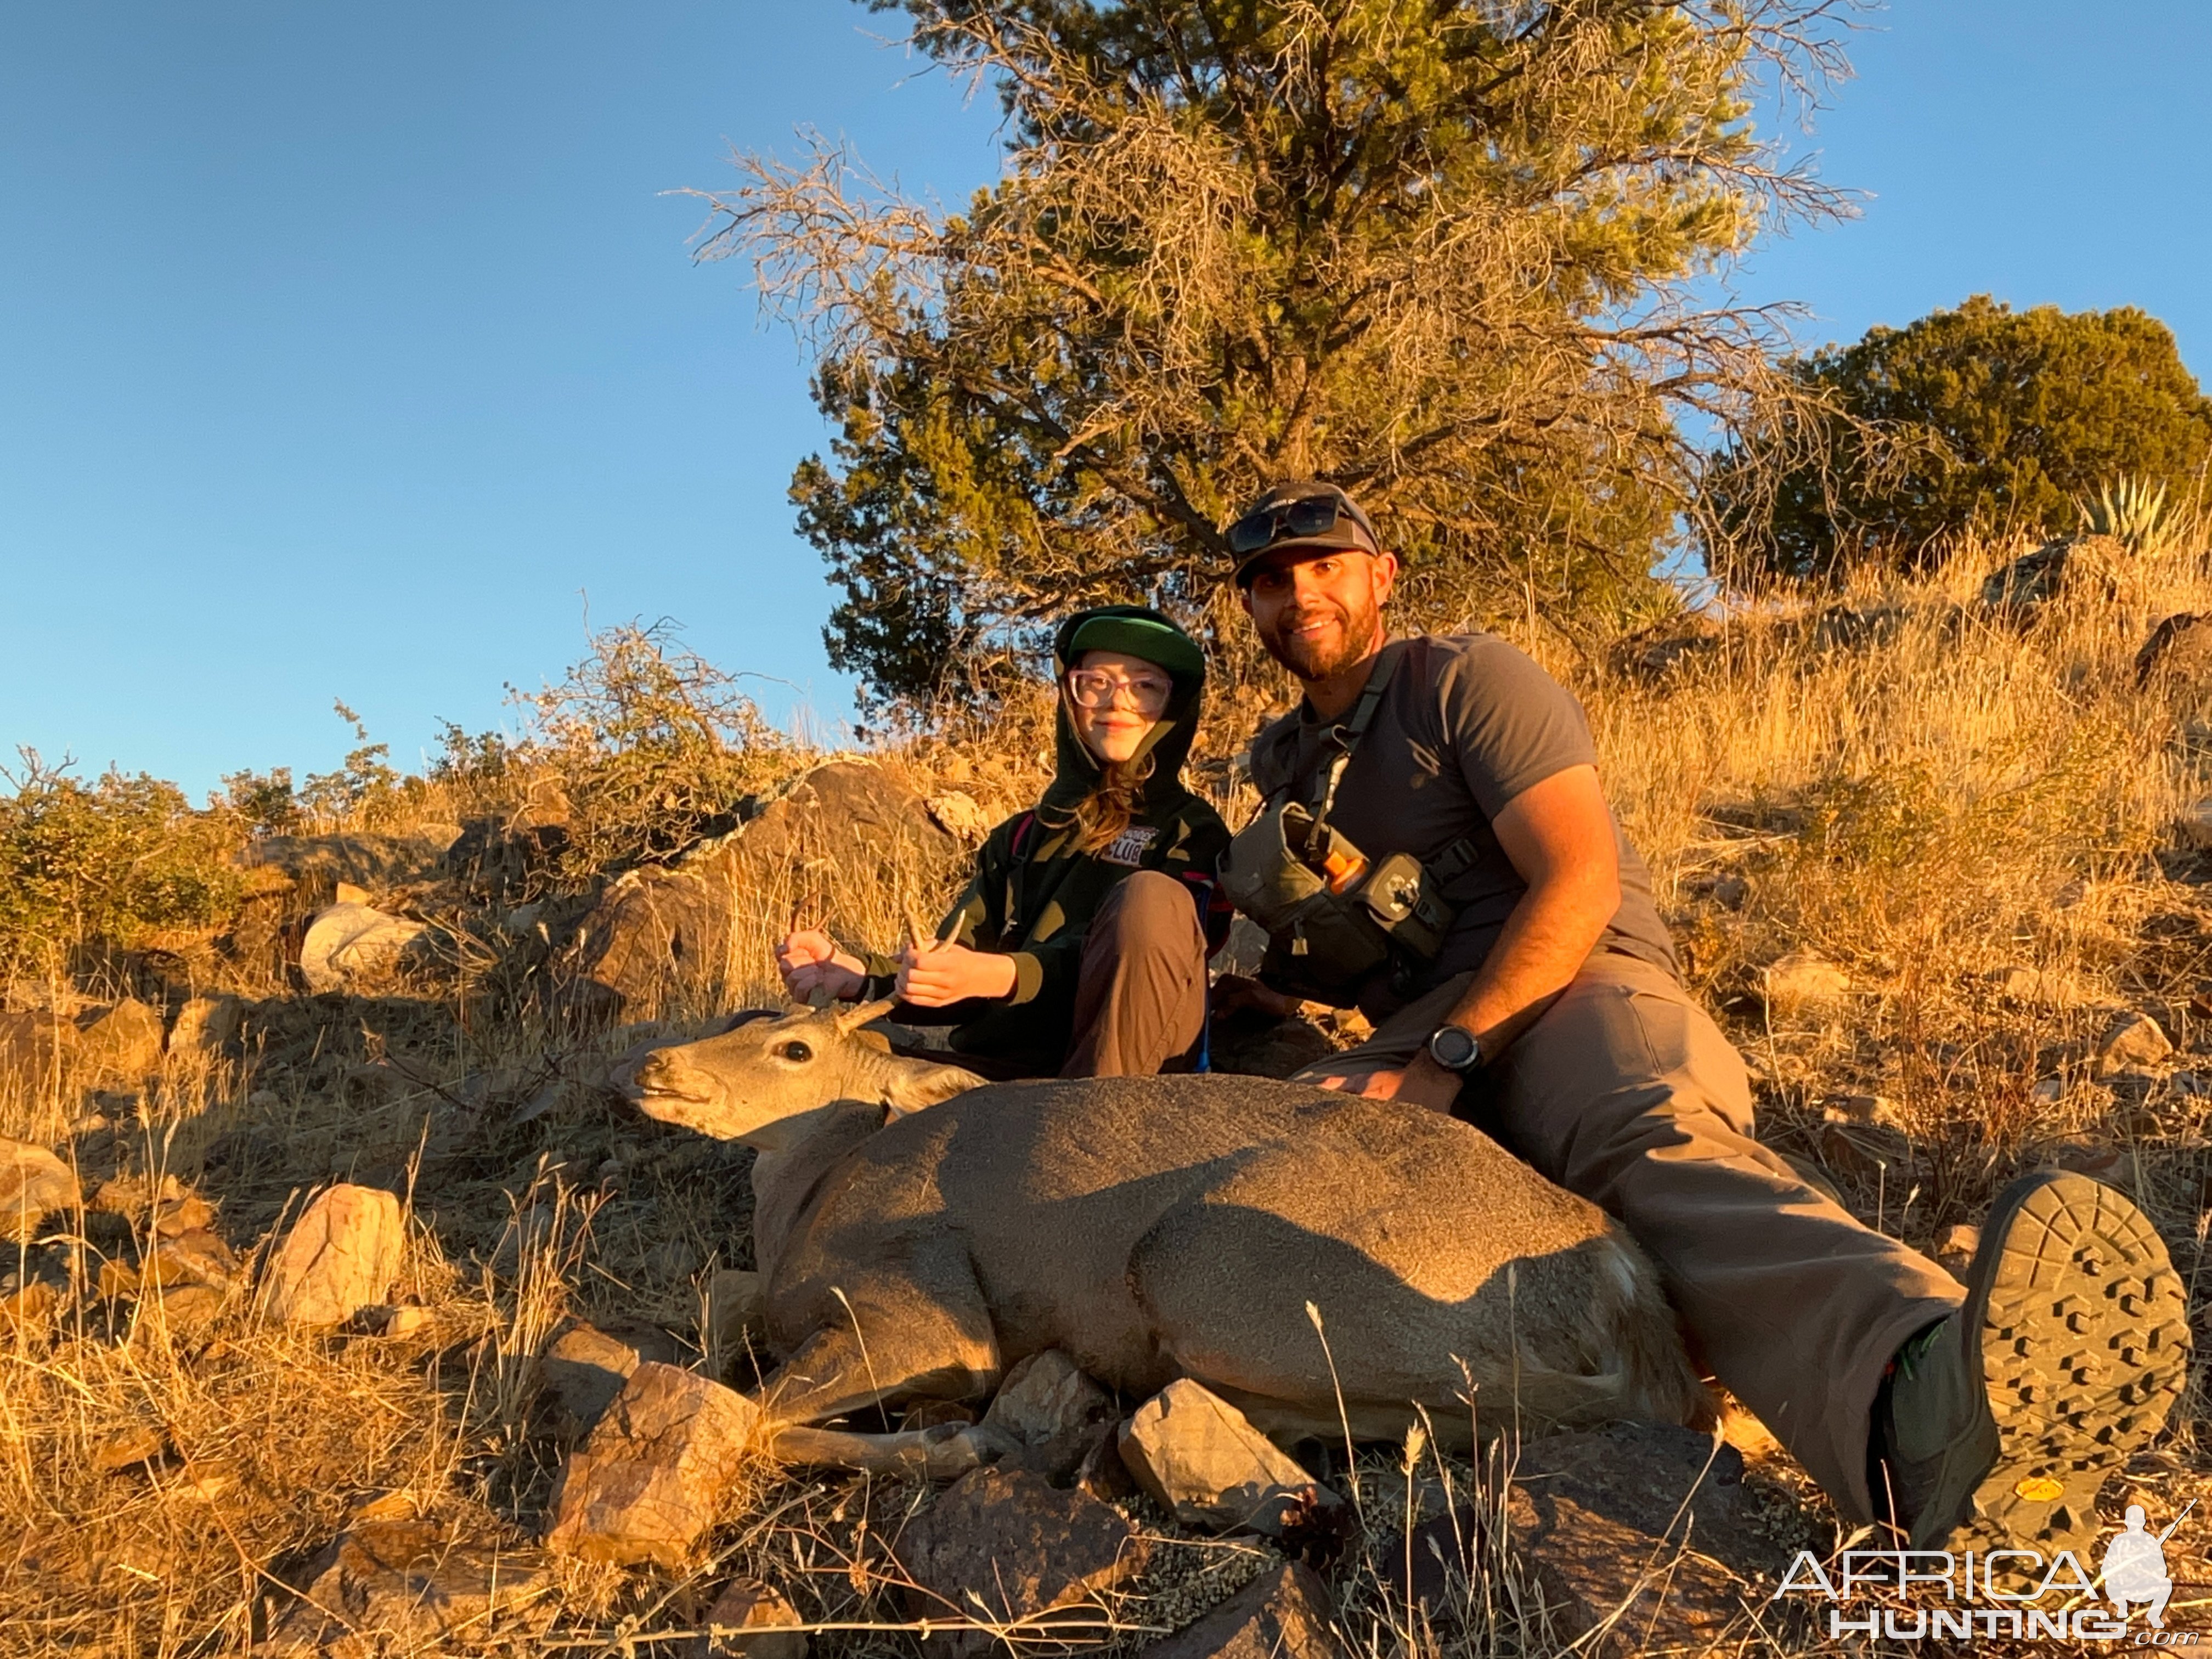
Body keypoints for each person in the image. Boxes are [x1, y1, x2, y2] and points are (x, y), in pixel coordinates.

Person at [1216, 478, 2190, 1554]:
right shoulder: (1279, 764)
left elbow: (1578, 882)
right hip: (1422, 1038)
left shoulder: (1464, 681)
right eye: (1269, 580)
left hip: (1565, 987)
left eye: (1323, 565)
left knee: (1650, 1146)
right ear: (1248, 609)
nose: (1299, 592)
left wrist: (1447, 1057)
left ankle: (1929, 1398)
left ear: (1381, 575)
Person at [776, 604, 1229, 1078]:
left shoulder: (1191, 830)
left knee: (1151, 900)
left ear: (1173, 708)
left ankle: (1093, 1130)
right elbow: (956, 963)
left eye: (1145, 687)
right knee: (765, 1043)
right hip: (998, 1078)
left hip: (1121, 1077)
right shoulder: (1018, 838)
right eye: (1096, 682)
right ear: (1069, 696)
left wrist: (1004, 976)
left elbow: (1155, 966)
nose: (1118, 702)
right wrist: (857, 977)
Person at [2102, 1504, 2174, 1627]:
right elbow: (2106, 1568)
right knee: (2109, 1584)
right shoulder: (2119, 1541)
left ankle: (2154, 1616)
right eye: (2132, 1522)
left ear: (2143, 1522)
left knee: (2167, 1584)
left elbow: (2162, 1569)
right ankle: (2121, 1610)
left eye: (2138, 1522)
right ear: (2126, 1522)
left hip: (2143, 1585)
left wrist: (2148, 1571)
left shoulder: (2150, 1541)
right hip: (2122, 1586)